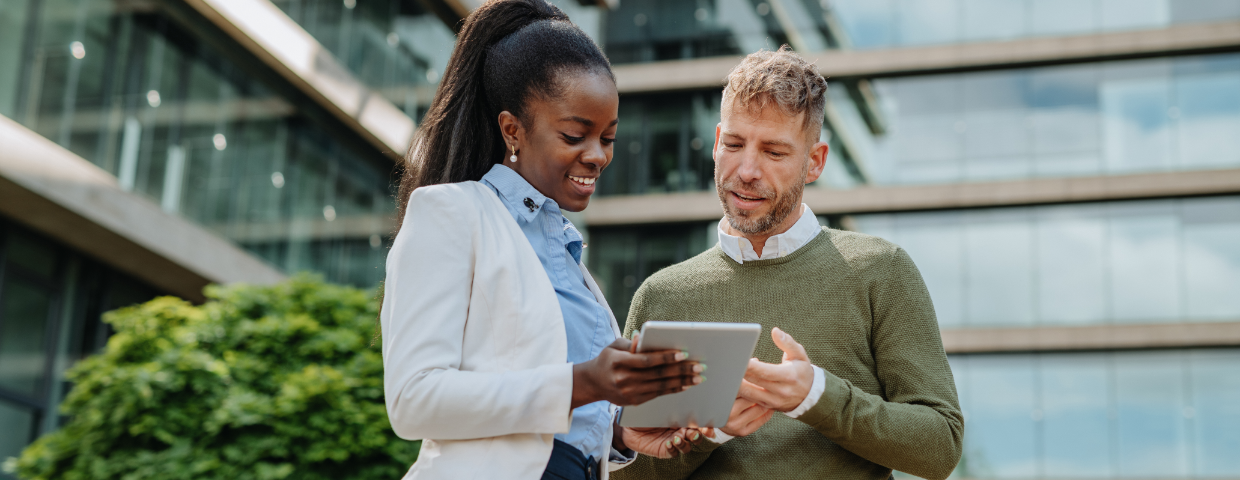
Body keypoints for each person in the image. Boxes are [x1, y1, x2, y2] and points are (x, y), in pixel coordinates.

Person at [380, 1, 708, 479]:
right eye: (576, 135)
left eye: (609, 138)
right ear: (513, 129)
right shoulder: (451, 213)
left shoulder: (570, 260)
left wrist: (618, 432)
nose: (597, 155)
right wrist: (582, 383)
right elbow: (413, 400)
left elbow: (556, 423)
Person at [613, 47, 964, 480]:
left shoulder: (881, 270)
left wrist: (816, 395)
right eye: (736, 144)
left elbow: (940, 446)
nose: (746, 170)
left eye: (774, 152)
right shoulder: (661, 296)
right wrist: (708, 431)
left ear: (814, 162)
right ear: (717, 142)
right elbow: (623, 472)